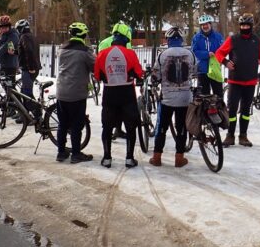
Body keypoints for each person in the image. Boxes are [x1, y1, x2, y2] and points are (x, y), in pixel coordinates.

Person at [214, 13, 260, 147]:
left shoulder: (257, 41)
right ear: (239, 26)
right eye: (242, 25)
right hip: (235, 82)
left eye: (247, 25)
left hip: (250, 81)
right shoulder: (233, 39)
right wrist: (225, 62)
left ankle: (243, 136)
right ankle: (230, 135)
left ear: (251, 26)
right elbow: (219, 53)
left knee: (246, 111)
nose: (244, 27)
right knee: (232, 110)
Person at [94, 22, 143, 169]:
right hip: (127, 93)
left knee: (107, 127)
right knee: (130, 127)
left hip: (109, 93)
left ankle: (107, 157)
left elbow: (97, 75)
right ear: (126, 39)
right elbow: (139, 73)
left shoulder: (102, 53)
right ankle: (129, 158)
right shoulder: (131, 53)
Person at [150, 26, 196, 167]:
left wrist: (155, 81)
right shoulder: (190, 54)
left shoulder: (162, 55)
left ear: (168, 40)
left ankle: (157, 157)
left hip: (167, 99)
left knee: (161, 128)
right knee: (181, 127)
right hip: (184, 98)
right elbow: (194, 71)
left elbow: (155, 75)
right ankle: (179, 158)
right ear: (181, 39)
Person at [55, 22, 96, 164]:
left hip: (61, 92)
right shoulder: (85, 51)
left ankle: (61, 153)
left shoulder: (61, 49)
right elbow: (95, 67)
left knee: (62, 124)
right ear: (83, 35)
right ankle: (76, 154)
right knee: (76, 125)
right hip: (77, 94)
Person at [191, 14, 224, 98]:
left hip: (215, 70)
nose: (205, 26)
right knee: (204, 97)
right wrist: (207, 54)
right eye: (203, 25)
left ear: (210, 24)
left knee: (218, 96)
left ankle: (220, 111)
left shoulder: (218, 36)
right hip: (202, 71)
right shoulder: (196, 38)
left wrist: (218, 56)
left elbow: (223, 50)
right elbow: (194, 51)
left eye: (206, 24)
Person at [15, 19, 42, 121]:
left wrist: (30, 68)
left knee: (27, 93)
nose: (17, 31)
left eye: (18, 29)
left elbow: (29, 52)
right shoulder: (31, 36)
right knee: (24, 92)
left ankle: (37, 115)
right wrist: (14, 52)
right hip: (31, 68)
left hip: (29, 69)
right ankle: (25, 114)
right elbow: (24, 51)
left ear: (22, 28)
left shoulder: (24, 37)